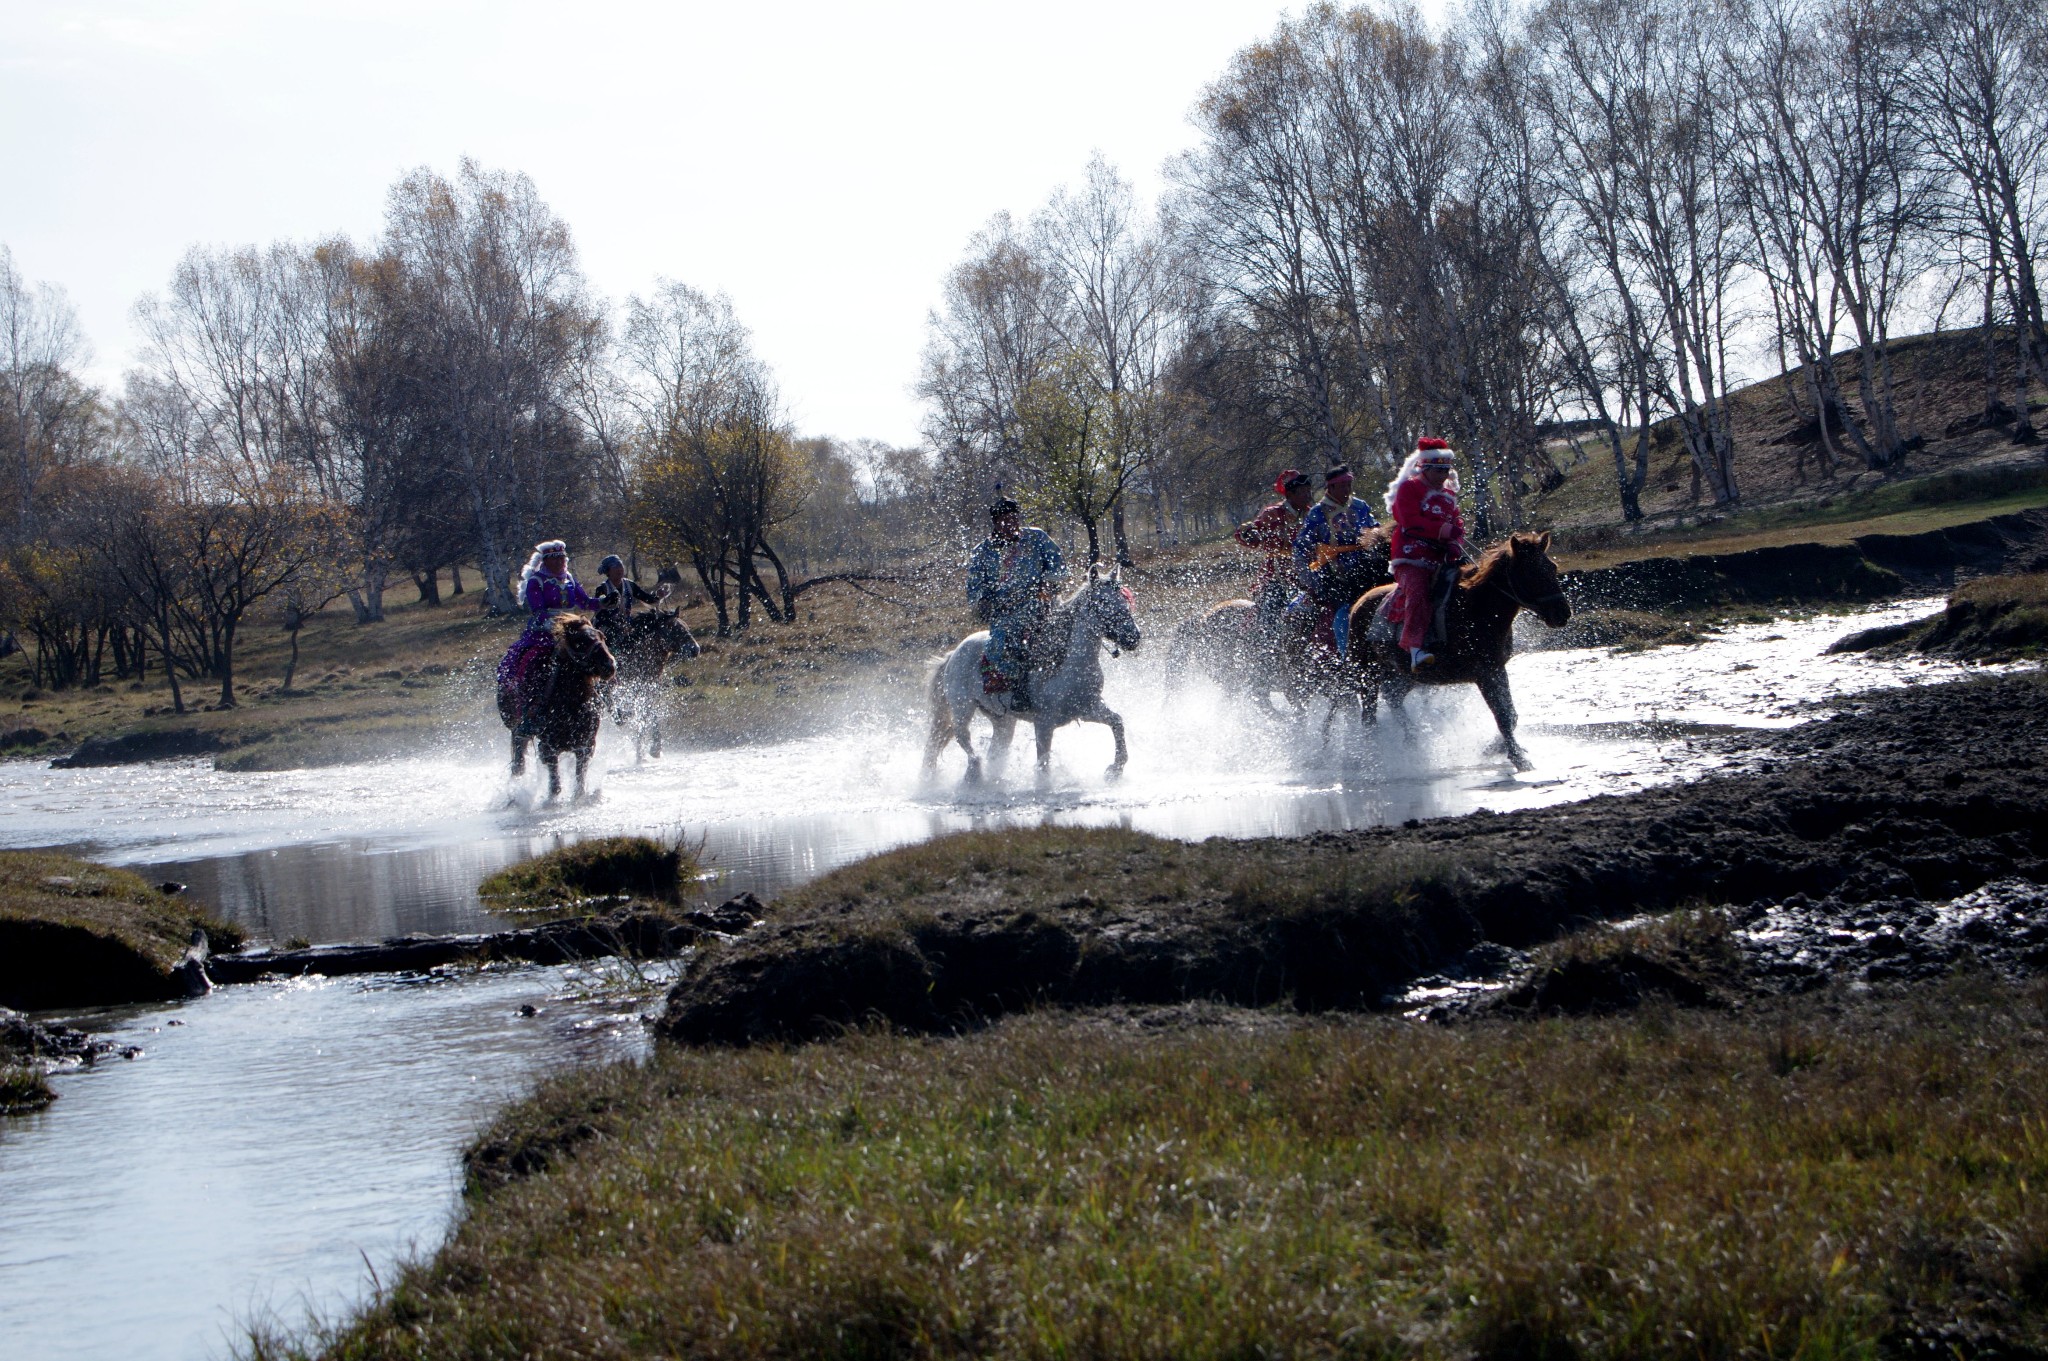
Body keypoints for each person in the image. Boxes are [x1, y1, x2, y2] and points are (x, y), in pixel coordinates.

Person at [966, 497, 1068, 713]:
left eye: (1013, 519)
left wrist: (1048, 583)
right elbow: (974, 590)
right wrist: (985, 601)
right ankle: (1019, 691)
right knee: (1011, 646)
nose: (1010, 524)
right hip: (1007, 615)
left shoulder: (1037, 538)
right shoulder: (982, 552)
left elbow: (1060, 567)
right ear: (996, 523)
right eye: (1004, 520)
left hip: (1043, 605)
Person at [1384, 437, 1467, 670]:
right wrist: (1442, 531)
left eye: (1446, 469)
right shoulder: (1409, 488)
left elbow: (1456, 523)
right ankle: (1414, 649)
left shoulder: (1449, 494)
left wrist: (1455, 541)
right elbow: (1409, 520)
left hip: (1442, 559)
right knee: (1419, 592)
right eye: (1438, 470)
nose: (1443, 475)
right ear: (1425, 467)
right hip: (1411, 558)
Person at [1290, 464, 1381, 659]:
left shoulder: (1360, 506)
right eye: (1342, 486)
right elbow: (1300, 549)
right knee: (1343, 610)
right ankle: (1346, 655)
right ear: (1330, 488)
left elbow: (1377, 531)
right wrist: (1310, 580)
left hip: (1366, 568)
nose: (1347, 489)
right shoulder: (1317, 513)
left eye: (1349, 484)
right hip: (1333, 575)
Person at [497, 539, 602, 696]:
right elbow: (538, 611)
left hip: (573, 627)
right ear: (545, 561)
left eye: (562, 558)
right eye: (556, 558)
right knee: (532, 659)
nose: (560, 561)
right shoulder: (536, 581)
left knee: (597, 650)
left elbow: (585, 602)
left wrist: (604, 602)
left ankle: (606, 693)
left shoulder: (569, 579)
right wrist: (555, 625)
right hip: (544, 629)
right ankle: (528, 696)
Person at [1234, 469, 1314, 629]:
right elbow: (1246, 532)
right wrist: (1253, 535)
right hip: (1276, 576)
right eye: (1302, 492)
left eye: (1308, 491)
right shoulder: (1273, 514)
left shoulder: (1312, 514)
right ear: (1290, 495)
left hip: (1307, 574)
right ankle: (1265, 647)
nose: (1307, 496)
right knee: (1271, 611)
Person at [589, 553, 671, 648]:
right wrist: (619, 625)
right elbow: (600, 614)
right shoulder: (602, 588)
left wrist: (658, 596)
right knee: (613, 639)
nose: (619, 569)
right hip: (606, 625)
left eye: (620, 565)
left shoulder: (630, 585)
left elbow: (647, 599)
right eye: (615, 567)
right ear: (608, 571)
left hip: (626, 623)